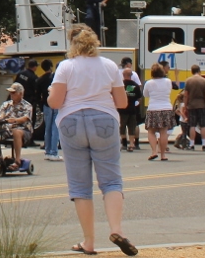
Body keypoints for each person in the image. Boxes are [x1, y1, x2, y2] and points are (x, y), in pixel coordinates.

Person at [47, 26, 137, 257]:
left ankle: (88, 242)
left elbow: (55, 102)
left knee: (80, 186)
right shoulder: (109, 66)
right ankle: (116, 230)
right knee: (111, 181)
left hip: (71, 121)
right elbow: (121, 102)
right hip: (104, 119)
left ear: (72, 44)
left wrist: (50, 94)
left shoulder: (66, 66)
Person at [0, 82, 33, 171]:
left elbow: (25, 118)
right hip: (7, 130)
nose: (11, 95)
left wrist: (15, 120)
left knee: (16, 132)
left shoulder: (27, 105)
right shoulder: (6, 104)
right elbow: (1, 116)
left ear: (20, 94)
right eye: (10, 93)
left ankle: (17, 161)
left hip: (23, 130)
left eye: (13, 93)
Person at [142, 64, 174, 161]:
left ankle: (154, 151)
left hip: (153, 108)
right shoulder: (168, 81)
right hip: (166, 108)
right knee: (163, 132)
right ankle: (163, 154)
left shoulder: (149, 83)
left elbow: (145, 94)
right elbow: (169, 91)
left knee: (151, 131)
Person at [181, 65, 205, 151]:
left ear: (192, 71)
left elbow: (186, 95)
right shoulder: (204, 81)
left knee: (192, 125)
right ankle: (204, 144)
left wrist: (185, 106)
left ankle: (191, 145)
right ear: (199, 71)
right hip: (202, 105)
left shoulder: (188, 81)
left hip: (191, 106)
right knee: (203, 125)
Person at [40, 58, 62, 161]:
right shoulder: (60, 78)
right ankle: (54, 152)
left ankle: (48, 151)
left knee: (48, 129)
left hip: (46, 104)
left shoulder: (45, 77)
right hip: (57, 104)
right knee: (55, 128)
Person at [118, 68, 142, 153]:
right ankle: (132, 144)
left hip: (122, 109)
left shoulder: (120, 85)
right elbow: (139, 97)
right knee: (132, 127)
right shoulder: (135, 85)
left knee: (122, 127)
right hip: (132, 109)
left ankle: (124, 144)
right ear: (131, 75)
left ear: (123, 75)